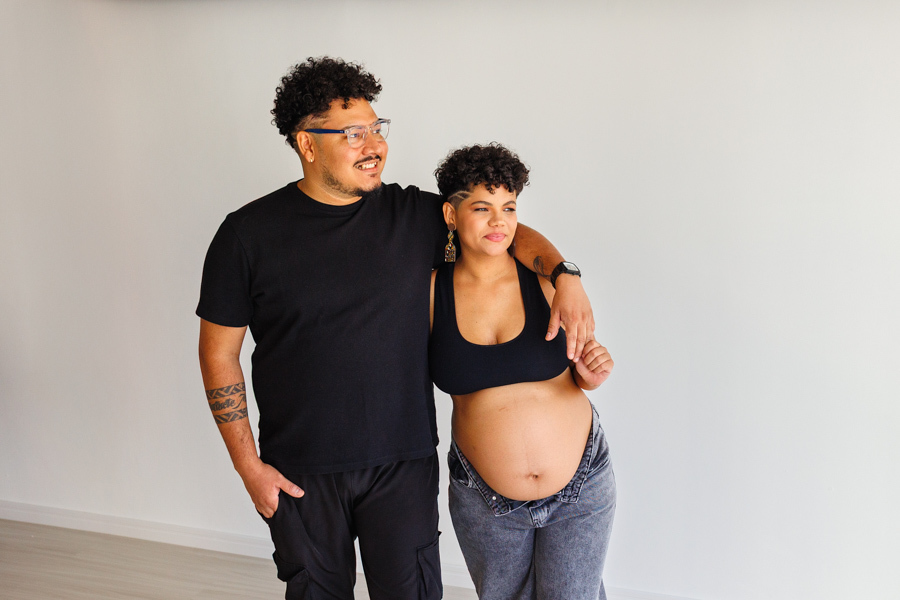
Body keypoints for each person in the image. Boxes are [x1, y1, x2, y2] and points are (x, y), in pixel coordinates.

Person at [196, 57, 596, 600]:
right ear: (307, 143)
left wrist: (565, 275)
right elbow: (219, 354)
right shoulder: (246, 235)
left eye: (376, 127)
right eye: (352, 133)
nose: (374, 145)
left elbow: (497, 227)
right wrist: (248, 467)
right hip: (300, 469)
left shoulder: (417, 216)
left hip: (403, 464)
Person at [430, 143, 616, 600]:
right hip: (484, 499)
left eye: (509, 208)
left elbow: (577, 367)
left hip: (581, 483)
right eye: (482, 208)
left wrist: (590, 375)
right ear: (451, 215)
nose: (499, 221)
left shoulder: (546, 281)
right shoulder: (430, 294)